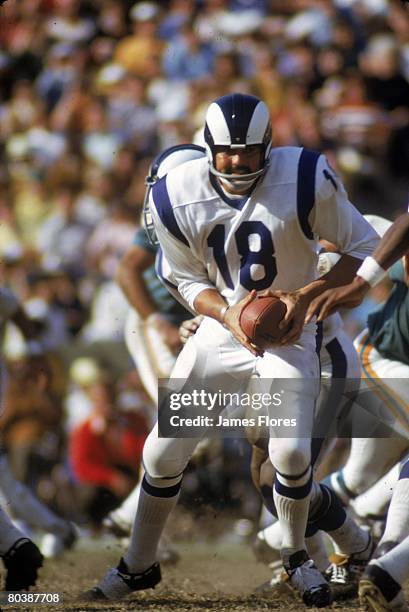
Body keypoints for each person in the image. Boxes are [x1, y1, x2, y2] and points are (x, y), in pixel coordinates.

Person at [84, 92, 378, 606]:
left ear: (268, 146)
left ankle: (298, 560)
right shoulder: (178, 192)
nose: (237, 161)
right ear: (208, 149)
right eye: (227, 151)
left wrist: (301, 296)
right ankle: (137, 565)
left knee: (285, 455)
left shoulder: (306, 174)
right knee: (162, 450)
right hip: (224, 329)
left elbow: (360, 246)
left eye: (247, 151)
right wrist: (225, 314)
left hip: (295, 331)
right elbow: (185, 278)